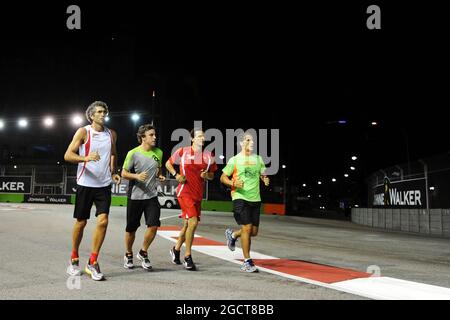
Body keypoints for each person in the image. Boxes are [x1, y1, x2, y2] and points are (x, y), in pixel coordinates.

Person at [65, 101, 121, 281]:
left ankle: (93, 262)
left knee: (103, 221)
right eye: (99, 112)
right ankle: (74, 259)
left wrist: (114, 172)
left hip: (103, 185)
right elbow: (68, 155)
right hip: (85, 183)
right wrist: (86, 158)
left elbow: (113, 153)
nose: (103, 114)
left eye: (105, 111)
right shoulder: (83, 132)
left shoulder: (111, 134)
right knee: (81, 223)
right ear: (91, 116)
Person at [165, 128, 217, 270]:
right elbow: (168, 164)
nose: (202, 138)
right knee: (193, 222)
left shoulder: (208, 155)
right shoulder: (183, 151)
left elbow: (212, 175)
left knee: (188, 225)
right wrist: (176, 175)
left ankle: (175, 250)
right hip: (184, 191)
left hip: (197, 194)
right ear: (192, 139)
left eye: (203, 136)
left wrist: (207, 176)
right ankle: (188, 256)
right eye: (199, 136)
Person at [220, 131, 270, 273]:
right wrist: (232, 182)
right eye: (248, 140)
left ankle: (234, 235)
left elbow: (262, 173)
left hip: (255, 199)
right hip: (240, 197)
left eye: (252, 140)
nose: (252, 143)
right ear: (241, 143)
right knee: (247, 227)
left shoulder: (258, 159)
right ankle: (247, 261)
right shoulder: (234, 160)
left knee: (253, 232)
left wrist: (264, 178)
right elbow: (223, 177)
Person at [121, 124, 165, 271]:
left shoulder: (158, 152)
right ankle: (128, 254)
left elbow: (157, 168)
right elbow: (124, 173)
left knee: (153, 225)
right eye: (151, 135)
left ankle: (143, 252)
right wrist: (136, 176)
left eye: (154, 134)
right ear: (143, 138)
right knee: (131, 229)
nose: (155, 137)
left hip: (151, 195)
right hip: (135, 196)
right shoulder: (133, 153)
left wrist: (159, 175)